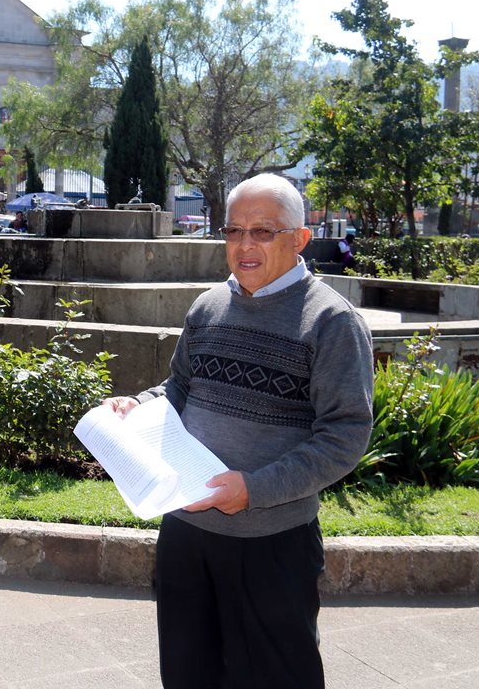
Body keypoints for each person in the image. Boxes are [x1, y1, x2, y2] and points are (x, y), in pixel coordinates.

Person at [100, 174, 373, 689]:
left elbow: (345, 435)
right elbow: (181, 386)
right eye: (233, 231)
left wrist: (254, 489)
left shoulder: (332, 321)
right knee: (188, 672)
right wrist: (136, 406)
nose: (244, 245)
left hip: (271, 543)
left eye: (263, 232)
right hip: (185, 532)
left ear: (299, 239)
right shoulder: (208, 306)